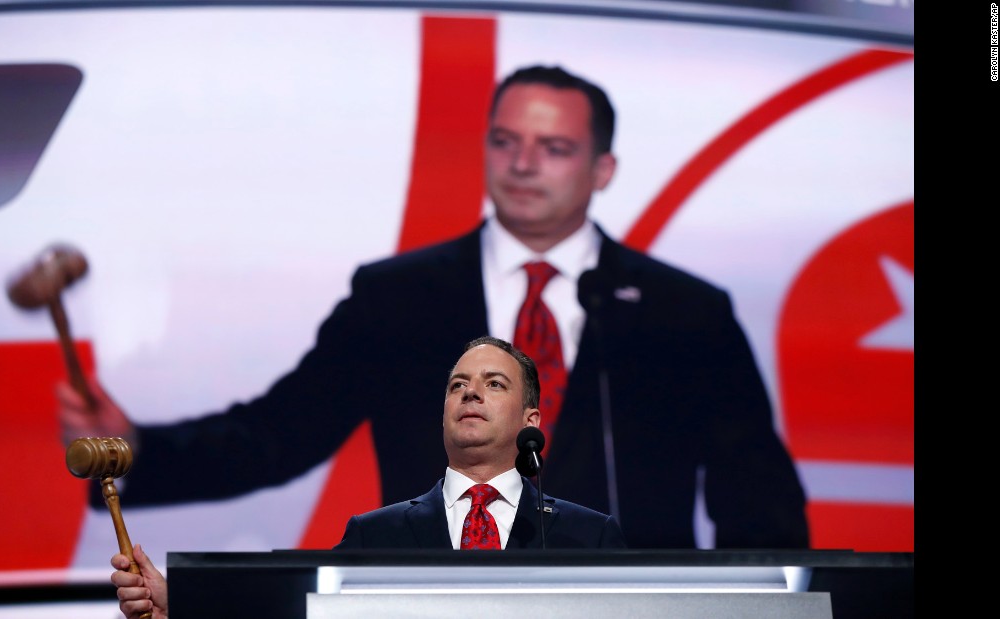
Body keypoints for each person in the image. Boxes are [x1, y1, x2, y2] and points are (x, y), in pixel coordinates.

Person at [60, 64, 809, 549]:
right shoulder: (398, 297)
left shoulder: (685, 312)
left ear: (603, 167)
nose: (521, 164)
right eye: (505, 140)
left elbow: (759, 503)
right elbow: (279, 433)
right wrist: (134, 450)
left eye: (553, 148)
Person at [107, 337, 625, 619]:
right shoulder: (375, 535)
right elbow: (297, 611)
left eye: (493, 384)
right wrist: (182, 605)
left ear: (531, 421)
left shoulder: (588, 535)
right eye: (457, 385)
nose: (471, 394)